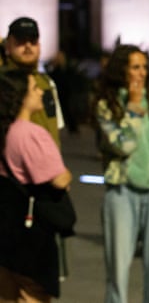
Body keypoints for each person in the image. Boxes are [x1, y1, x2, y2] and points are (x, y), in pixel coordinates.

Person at [94, 44, 149, 303]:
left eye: (144, 67)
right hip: (122, 191)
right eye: (135, 67)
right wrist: (130, 110)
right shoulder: (108, 106)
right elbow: (123, 144)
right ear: (122, 71)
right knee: (118, 268)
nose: (142, 73)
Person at [0, 68, 73, 301]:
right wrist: (68, 175)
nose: (40, 92)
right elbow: (59, 179)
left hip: (5, 228)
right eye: (33, 88)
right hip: (31, 236)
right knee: (32, 293)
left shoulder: (5, 131)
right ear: (21, 96)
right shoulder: (32, 134)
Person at [2, 17, 65, 147]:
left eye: (33, 41)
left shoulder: (47, 83)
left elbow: (55, 127)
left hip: (48, 164)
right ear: (8, 46)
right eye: (21, 41)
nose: (28, 46)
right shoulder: (3, 84)